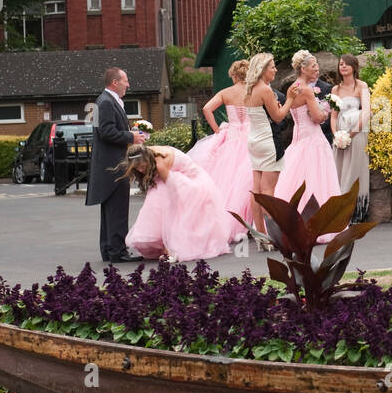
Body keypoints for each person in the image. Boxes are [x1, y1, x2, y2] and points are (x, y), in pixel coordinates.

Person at [117, 144, 233, 263]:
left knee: (166, 202)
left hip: (192, 182)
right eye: (137, 168)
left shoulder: (160, 165)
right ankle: (162, 241)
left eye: (142, 166)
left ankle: (170, 246)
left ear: (147, 159)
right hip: (175, 175)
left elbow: (173, 192)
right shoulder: (146, 152)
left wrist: (176, 210)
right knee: (157, 194)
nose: (140, 170)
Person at [85, 66, 147, 263]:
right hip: (113, 166)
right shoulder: (105, 102)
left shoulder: (107, 101)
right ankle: (118, 251)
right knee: (117, 209)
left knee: (111, 210)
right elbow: (106, 132)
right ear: (115, 82)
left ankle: (109, 250)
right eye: (125, 80)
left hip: (112, 164)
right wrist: (131, 136)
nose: (128, 84)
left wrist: (131, 133)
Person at [187, 59, 252, 234]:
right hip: (251, 138)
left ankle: (228, 219)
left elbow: (207, 109)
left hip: (232, 138)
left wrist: (217, 131)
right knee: (250, 180)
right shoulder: (253, 92)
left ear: (235, 75)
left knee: (228, 180)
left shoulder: (226, 93)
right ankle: (253, 222)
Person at [277, 49, 342, 214]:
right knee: (318, 180)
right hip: (314, 140)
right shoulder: (306, 90)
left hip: (298, 141)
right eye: (313, 66)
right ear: (303, 69)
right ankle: (319, 218)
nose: (316, 69)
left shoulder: (292, 88)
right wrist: (327, 109)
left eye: (317, 65)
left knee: (298, 180)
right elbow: (318, 118)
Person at [244, 53, 296, 238]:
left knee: (256, 190)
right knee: (267, 191)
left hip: (254, 142)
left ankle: (260, 234)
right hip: (268, 142)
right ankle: (275, 235)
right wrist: (289, 98)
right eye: (272, 66)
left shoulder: (249, 89)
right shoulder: (265, 90)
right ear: (262, 69)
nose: (275, 69)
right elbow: (279, 117)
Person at [330, 53, 372, 223]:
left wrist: (352, 133)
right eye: (341, 64)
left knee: (355, 169)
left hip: (357, 133)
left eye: (347, 64)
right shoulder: (335, 90)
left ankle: (357, 212)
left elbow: (367, 112)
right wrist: (336, 135)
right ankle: (340, 211)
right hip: (340, 135)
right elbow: (333, 116)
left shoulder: (361, 86)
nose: (343, 67)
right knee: (340, 170)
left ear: (354, 67)